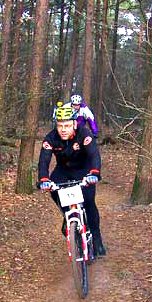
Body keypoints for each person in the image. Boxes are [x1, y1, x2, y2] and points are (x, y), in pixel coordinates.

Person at [38, 104, 106, 256]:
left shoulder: (84, 134)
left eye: (67, 125)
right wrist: (43, 179)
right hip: (63, 171)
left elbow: (94, 155)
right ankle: (68, 215)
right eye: (60, 125)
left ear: (75, 124)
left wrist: (94, 173)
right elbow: (44, 161)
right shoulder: (51, 138)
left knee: (88, 202)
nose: (63, 129)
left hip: (84, 170)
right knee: (53, 189)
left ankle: (97, 238)